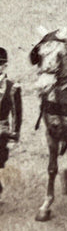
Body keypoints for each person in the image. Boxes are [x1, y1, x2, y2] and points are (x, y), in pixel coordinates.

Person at [0, 47, 22, 199]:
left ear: (4, 66)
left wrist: (14, 135)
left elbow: (17, 113)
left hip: (2, 130)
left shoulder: (12, 87)